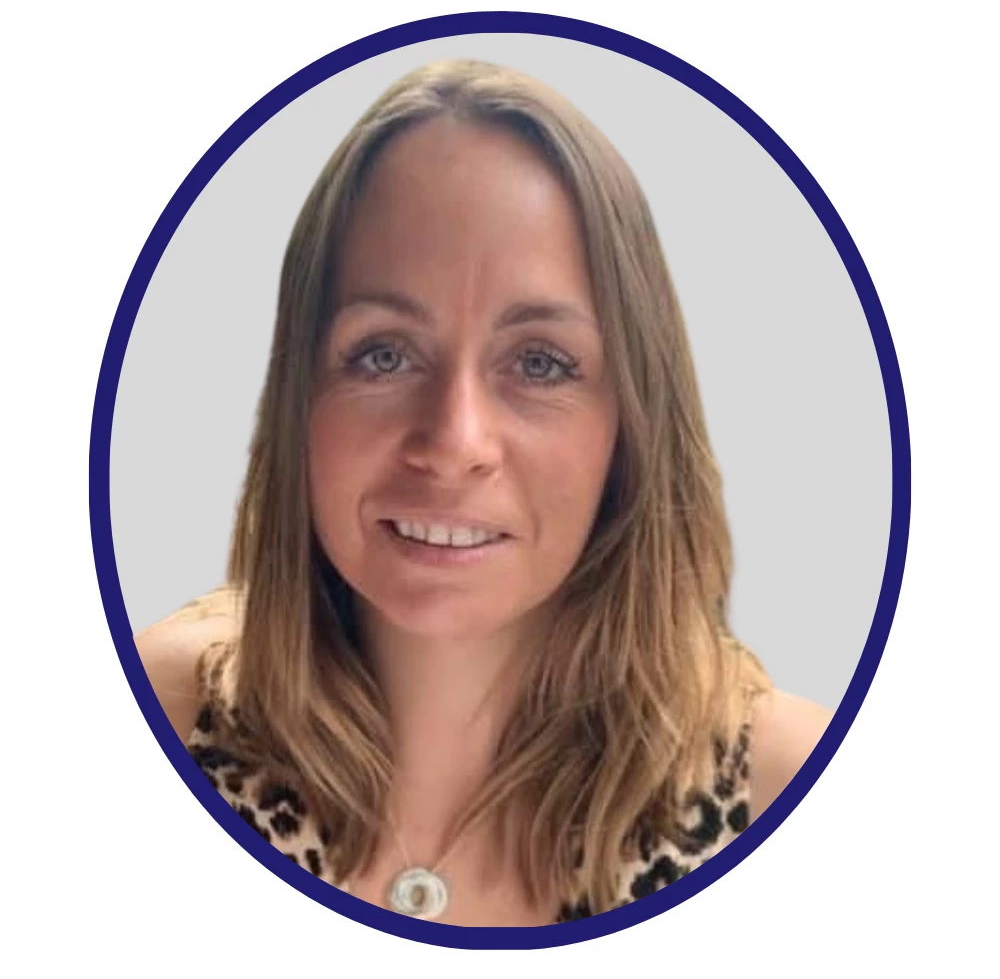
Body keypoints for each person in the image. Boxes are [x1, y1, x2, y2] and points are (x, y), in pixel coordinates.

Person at [136, 59, 832, 928]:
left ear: (633, 423)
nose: (455, 441)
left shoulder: (790, 790)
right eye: (384, 353)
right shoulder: (156, 718)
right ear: (296, 399)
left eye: (540, 363)